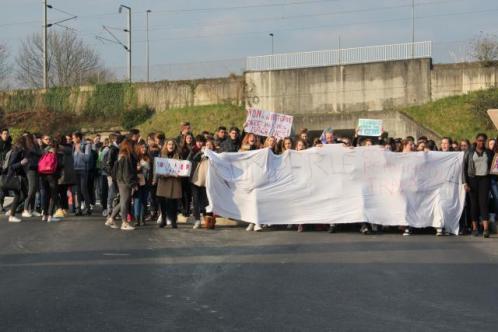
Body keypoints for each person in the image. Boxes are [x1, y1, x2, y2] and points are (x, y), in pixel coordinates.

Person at [463, 133, 493, 238]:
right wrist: (465, 182)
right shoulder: (469, 153)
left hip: (484, 179)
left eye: (483, 140)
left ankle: (486, 229)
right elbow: (464, 169)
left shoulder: (489, 152)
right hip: (472, 179)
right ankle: (475, 228)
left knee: (484, 203)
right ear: (476, 140)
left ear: (485, 141)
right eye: (479, 140)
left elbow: (494, 165)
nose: (481, 142)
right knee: (474, 205)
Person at [105, 139, 138, 231]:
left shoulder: (121, 155)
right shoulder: (127, 156)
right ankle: (124, 223)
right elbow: (127, 172)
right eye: (134, 145)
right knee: (125, 201)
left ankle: (111, 218)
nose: (135, 147)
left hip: (120, 180)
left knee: (123, 201)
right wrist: (133, 184)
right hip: (125, 181)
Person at [155, 139, 183, 229]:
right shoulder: (161, 156)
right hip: (164, 181)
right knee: (163, 202)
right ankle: (163, 220)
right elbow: (157, 169)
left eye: (173, 145)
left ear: (175, 146)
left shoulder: (178, 156)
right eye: (169, 144)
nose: (171, 146)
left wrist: (180, 174)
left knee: (173, 203)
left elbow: (182, 169)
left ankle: (173, 221)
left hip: (174, 182)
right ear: (166, 146)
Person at [189, 137, 215, 229]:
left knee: (207, 202)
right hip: (196, 180)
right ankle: (197, 220)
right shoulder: (200, 154)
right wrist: (201, 152)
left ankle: (208, 220)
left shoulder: (215, 156)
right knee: (195, 201)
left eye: (210, 145)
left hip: (208, 182)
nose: (208, 147)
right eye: (206, 145)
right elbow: (192, 160)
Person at [3, 136, 29, 223]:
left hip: (20, 176)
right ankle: (11, 215)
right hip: (15, 177)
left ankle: (11, 210)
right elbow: (12, 165)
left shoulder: (21, 150)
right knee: (19, 195)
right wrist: (21, 163)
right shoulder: (17, 150)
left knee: (24, 194)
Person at [38, 136, 63, 222]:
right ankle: (50, 215)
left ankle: (44, 215)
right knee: (53, 195)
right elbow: (60, 165)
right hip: (53, 175)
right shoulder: (58, 152)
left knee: (46, 195)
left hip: (43, 174)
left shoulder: (44, 151)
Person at [54, 134, 75, 218]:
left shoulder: (58, 149)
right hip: (67, 174)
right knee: (63, 192)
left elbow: (58, 163)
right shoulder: (69, 148)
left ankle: (59, 209)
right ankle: (65, 209)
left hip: (60, 174)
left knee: (55, 192)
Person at [72, 132, 92, 216]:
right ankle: (78, 208)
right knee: (77, 190)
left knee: (83, 189)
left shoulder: (86, 145)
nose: (72, 139)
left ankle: (87, 208)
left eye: (73, 138)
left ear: (78, 138)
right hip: (75, 170)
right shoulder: (73, 146)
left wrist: (79, 151)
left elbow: (87, 158)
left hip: (83, 170)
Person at [22, 134, 42, 218]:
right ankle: (25, 209)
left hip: (36, 168)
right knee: (32, 188)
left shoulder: (34, 146)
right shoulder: (29, 148)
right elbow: (39, 153)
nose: (36, 139)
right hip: (31, 170)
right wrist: (39, 146)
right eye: (34, 138)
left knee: (34, 190)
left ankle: (32, 209)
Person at [133, 140, 151, 226]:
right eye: (142, 147)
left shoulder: (149, 157)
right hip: (138, 181)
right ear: (139, 148)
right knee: (137, 200)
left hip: (147, 182)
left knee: (144, 200)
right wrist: (137, 168)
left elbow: (152, 170)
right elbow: (132, 170)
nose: (144, 149)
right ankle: (137, 219)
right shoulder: (135, 157)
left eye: (145, 147)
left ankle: (142, 218)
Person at [0, 128, 12, 211]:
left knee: (3, 187)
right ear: (0, 134)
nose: (6, 135)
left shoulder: (9, 144)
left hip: (5, 168)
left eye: (7, 134)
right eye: (4, 133)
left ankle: (1, 205)